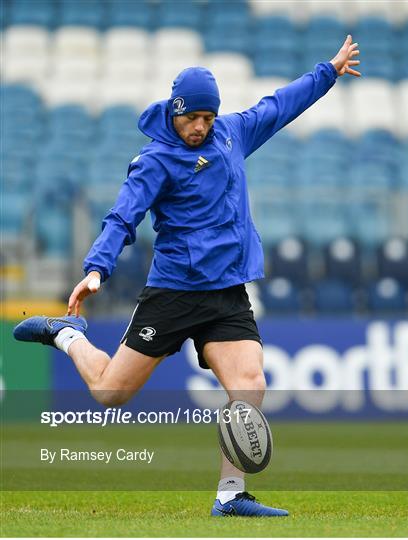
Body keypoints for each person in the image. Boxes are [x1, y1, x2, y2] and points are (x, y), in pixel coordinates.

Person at [14, 36, 360, 517]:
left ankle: (230, 496)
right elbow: (121, 217)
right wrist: (96, 268)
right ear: (173, 112)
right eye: (190, 117)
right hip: (174, 293)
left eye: (207, 118)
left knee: (249, 383)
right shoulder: (154, 161)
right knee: (112, 392)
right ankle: (68, 336)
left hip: (227, 293)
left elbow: (280, 105)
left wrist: (329, 70)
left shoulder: (233, 133)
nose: (199, 127)